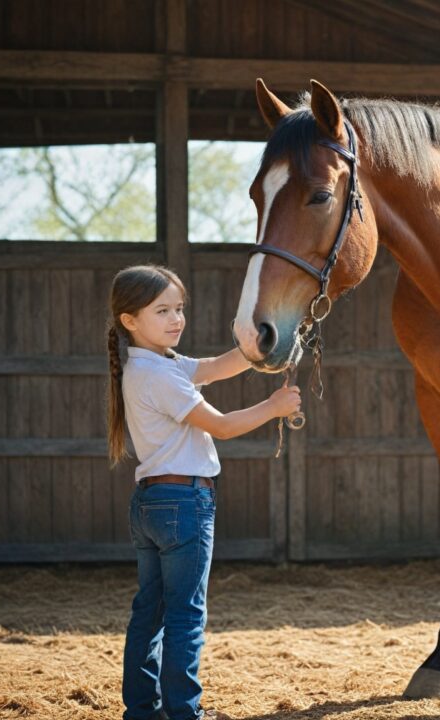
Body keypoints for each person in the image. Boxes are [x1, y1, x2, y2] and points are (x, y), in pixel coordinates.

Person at [106, 264, 300, 720]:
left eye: (179, 309)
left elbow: (214, 367)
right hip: (184, 505)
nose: (176, 319)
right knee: (186, 618)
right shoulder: (160, 376)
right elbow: (225, 426)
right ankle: (184, 712)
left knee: (149, 612)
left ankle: (141, 710)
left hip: (151, 504)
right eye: (162, 311)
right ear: (129, 320)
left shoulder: (153, 364)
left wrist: (258, 347)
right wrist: (274, 406)